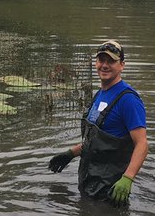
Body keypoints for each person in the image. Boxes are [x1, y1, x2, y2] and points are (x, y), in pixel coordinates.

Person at [47, 39, 148, 205]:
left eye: (111, 61)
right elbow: (96, 140)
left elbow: (142, 144)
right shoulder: (99, 95)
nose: (105, 65)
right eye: (101, 60)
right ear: (96, 63)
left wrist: (128, 178)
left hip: (111, 190)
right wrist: (71, 153)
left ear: (122, 65)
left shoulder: (128, 100)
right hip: (89, 181)